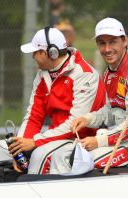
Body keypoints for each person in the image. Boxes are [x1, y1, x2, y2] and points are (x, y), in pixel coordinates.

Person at [53, 17, 128, 172]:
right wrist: (88, 119)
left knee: (84, 161)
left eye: (112, 42)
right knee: (65, 155)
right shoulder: (109, 73)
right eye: (102, 43)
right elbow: (110, 112)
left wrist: (100, 141)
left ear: (124, 41)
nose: (107, 49)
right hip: (122, 138)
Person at [7, 27, 106, 174]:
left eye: (35, 52)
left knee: (40, 156)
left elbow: (74, 125)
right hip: (56, 137)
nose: (33, 56)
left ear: (50, 53)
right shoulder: (42, 74)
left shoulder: (85, 74)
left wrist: (35, 142)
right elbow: (34, 116)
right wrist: (19, 148)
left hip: (82, 139)